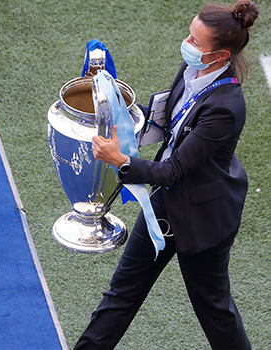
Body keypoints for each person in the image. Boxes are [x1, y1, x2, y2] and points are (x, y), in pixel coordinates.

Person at [74, 1, 259, 349]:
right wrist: (115, 101)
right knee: (121, 295)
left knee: (214, 311)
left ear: (219, 56)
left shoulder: (226, 107)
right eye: (189, 35)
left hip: (204, 220)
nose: (187, 45)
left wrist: (120, 161)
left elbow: (173, 170)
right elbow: (166, 123)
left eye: (195, 42)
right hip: (164, 205)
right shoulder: (193, 72)